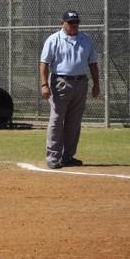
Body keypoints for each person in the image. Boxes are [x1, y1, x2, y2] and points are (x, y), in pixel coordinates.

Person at [38, 10, 100, 169]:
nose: (74, 25)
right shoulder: (53, 39)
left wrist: (96, 84)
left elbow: (93, 62)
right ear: (62, 23)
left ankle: (68, 156)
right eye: (70, 22)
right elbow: (44, 63)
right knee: (57, 120)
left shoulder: (85, 39)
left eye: (76, 22)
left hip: (81, 82)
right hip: (60, 82)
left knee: (74, 122)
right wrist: (44, 85)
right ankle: (53, 157)